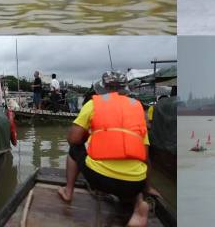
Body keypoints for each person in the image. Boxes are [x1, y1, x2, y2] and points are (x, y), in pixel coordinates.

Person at [57, 71, 152, 227]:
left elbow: (73, 139)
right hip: (134, 184)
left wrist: (92, 137)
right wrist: (147, 187)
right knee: (137, 162)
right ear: (125, 89)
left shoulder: (94, 103)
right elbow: (146, 156)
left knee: (75, 149)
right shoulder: (138, 109)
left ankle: (68, 192)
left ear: (103, 87)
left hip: (99, 179)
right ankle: (138, 204)